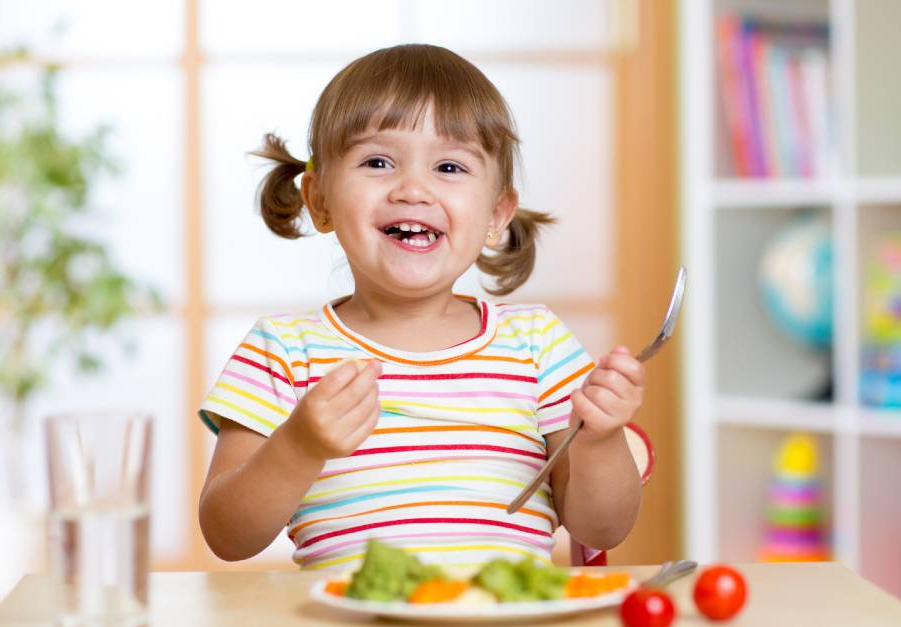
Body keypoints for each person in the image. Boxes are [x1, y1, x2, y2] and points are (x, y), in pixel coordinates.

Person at [198, 43, 644, 571]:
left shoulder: (537, 343)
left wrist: (600, 440)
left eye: (450, 167)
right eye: (377, 161)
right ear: (319, 201)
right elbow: (227, 535)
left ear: (498, 213)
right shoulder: (284, 349)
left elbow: (601, 527)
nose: (413, 189)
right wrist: (298, 445)